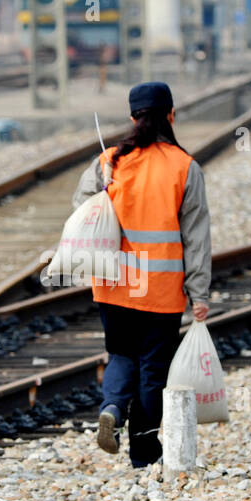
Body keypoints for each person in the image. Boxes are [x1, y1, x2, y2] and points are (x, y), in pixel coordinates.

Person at [72, 81, 211, 467]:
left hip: (114, 285)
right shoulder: (184, 166)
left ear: (133, 117)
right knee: (153, 371)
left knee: (120, 355)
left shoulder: (109, 162)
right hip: (162, 291)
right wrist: (199, 293)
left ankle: (113, 408)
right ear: (171, 115)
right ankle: (145, 453)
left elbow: (82, 209)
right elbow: (196, 237)